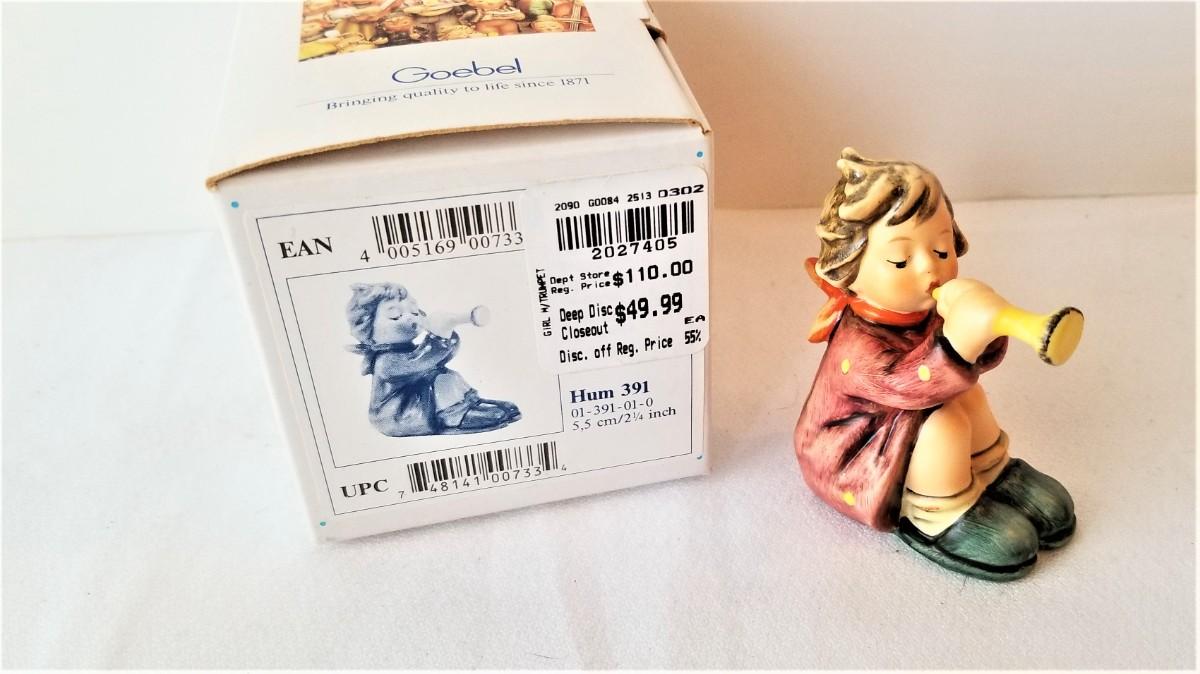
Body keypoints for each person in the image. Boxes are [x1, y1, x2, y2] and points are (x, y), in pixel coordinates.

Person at [794, 148, 1075, 581]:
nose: (930, 267)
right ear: (850, 270)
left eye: (942, 249)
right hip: (852, 451)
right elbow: (908, 384)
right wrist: (960, 342)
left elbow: (961, 370)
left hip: (902, 421)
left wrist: (987, 324)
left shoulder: (925, 311)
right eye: (900, 260)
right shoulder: (856, 343)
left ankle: (992, 472)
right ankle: (938, 511)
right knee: (944, 422)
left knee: (969, 396)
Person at [347, 283, 520, 437]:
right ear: (368, 329)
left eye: (414, 311)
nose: (410, 318)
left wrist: (446, 333)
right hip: (399, 414)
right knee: (440, 381)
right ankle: (454, 416)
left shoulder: (409, 349)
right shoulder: (386, 362)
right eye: (395, 316)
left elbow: (439, 359)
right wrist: (439, 337)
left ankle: (471, 404)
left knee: (447, 375)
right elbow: (421, 361)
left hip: (420, 402)